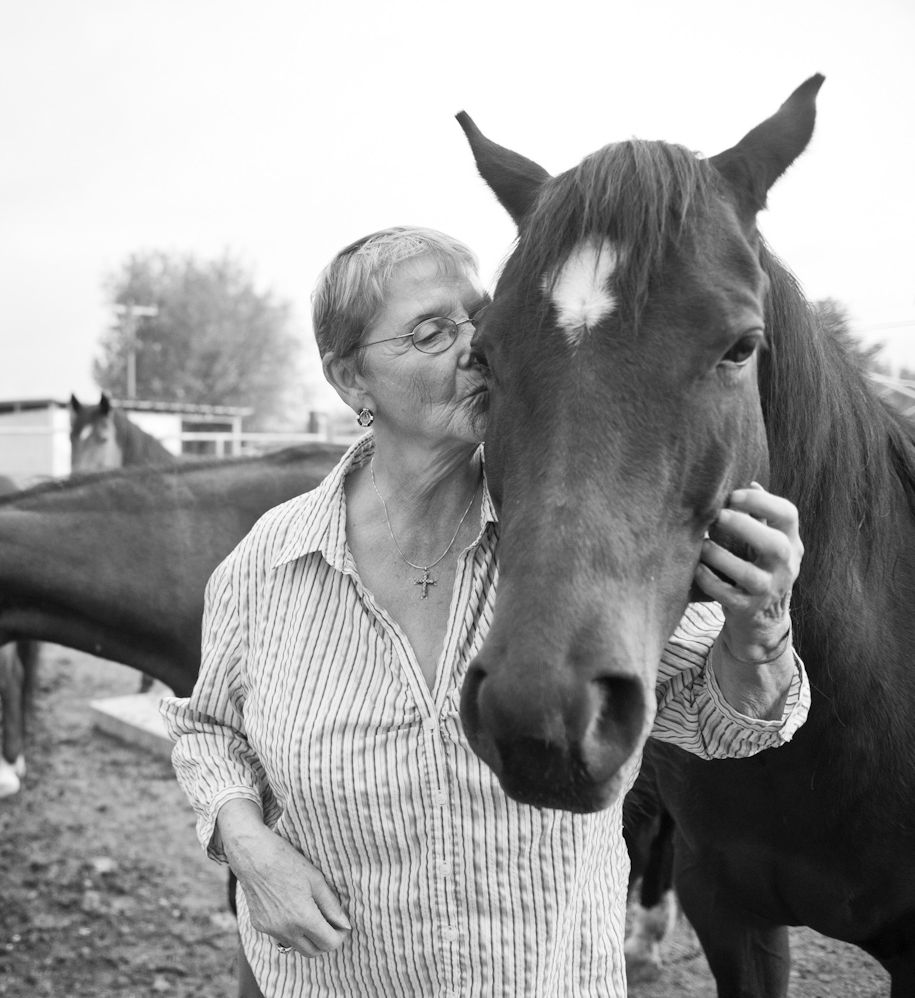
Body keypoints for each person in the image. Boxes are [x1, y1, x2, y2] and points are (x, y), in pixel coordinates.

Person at [159, 226, 808, 997]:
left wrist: (758, 626)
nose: (475, 346)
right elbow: (209, 728)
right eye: (432, 331)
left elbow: (723, 721)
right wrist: (244, 841)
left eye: (480, 318)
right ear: (350, 381)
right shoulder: (271, 560)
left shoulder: (575, 532)